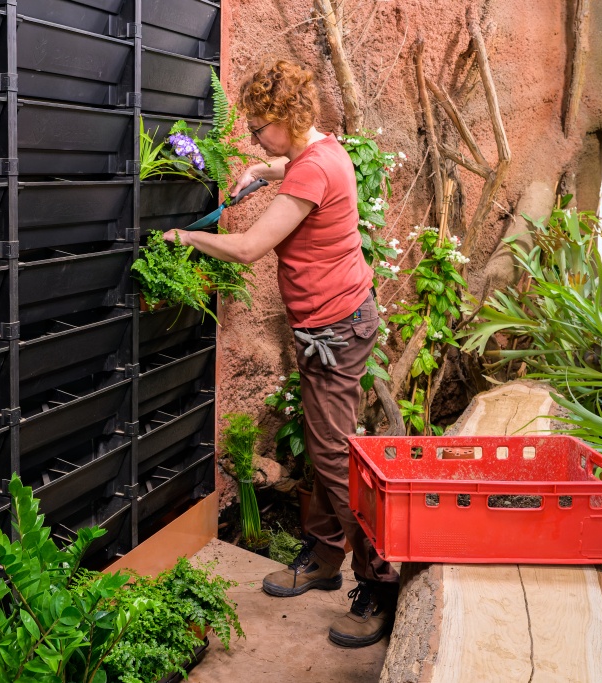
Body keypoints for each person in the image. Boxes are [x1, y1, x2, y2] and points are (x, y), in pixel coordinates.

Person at [163, 58, 400, 648]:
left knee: (336, 459)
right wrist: (258, 169)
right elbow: (287, 165)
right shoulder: (321, 150)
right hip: (332, 324)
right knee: (325, 449)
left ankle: (381, 582)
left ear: (287, 119)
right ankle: (324, 556)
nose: (253, 138)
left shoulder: (313, 168)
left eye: (258, 128)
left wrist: (187, 236)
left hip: (336, 330)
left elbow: (248, 248)